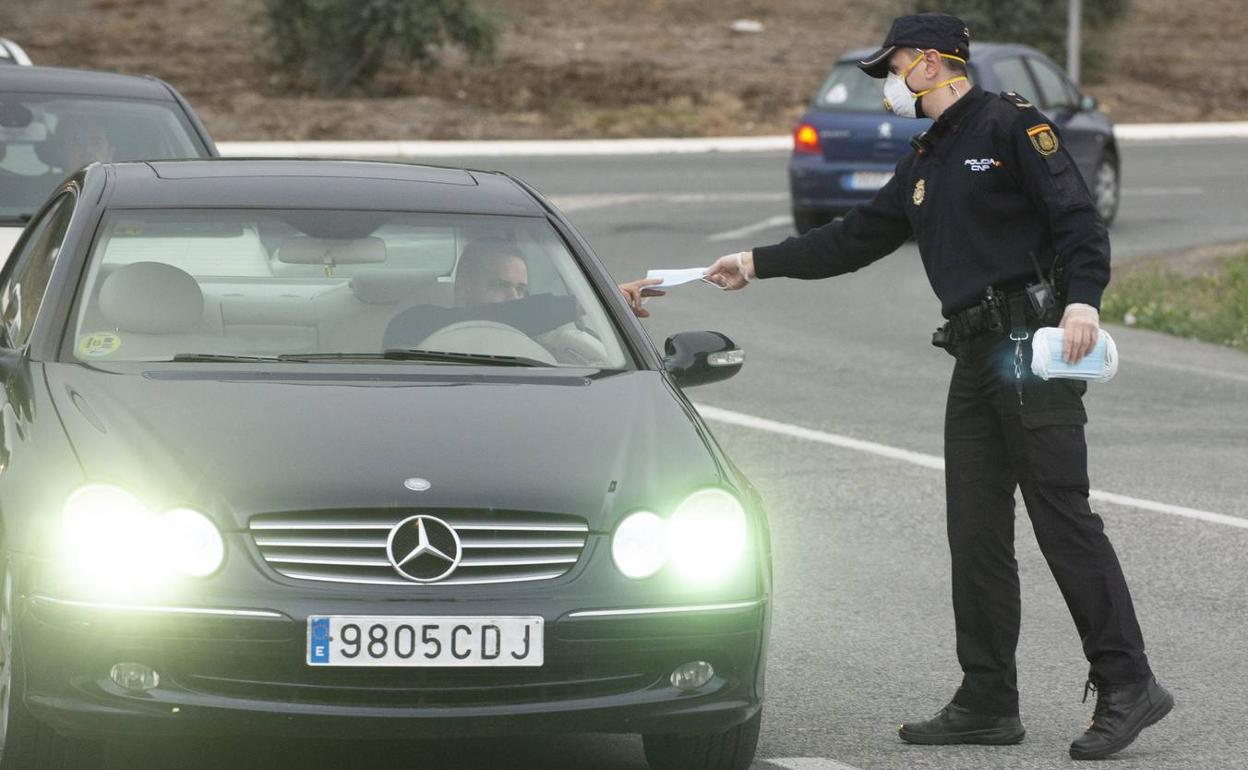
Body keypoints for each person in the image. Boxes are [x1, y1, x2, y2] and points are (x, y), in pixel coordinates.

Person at [704, 12, 1171, 761]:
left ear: (927, 63)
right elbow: (852, 240)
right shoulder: (926, 158)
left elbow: (1078, 218)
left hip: (1030, 344)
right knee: (975, 532)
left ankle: (1128, 685)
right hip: (974, 354)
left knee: (1062, 520)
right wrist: (754, 263)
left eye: (892, 69)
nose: (889, 84)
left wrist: (1084, 299)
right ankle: (988, 700)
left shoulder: (1010, 125)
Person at [382, 238, 665, 350]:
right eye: (498, 285)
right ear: (464, 286)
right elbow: (516, 314)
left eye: (521, 290)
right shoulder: (416, 322)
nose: (514, 299)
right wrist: (594, 301)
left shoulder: (545, 346)